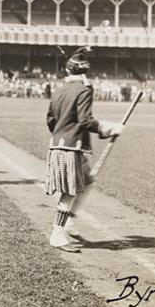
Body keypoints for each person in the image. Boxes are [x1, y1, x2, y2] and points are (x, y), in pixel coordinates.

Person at [45, 48, 123, 252]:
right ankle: (57, 234)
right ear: (85, 71)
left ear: (67, 70)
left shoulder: (58, 90)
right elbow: (85, 120)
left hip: (58, 144)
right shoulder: (83, 90)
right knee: (69, 193)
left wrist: (62, 133)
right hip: (72, 147)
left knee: (87, 181)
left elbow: (50, 120)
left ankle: (69, 221)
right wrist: (109, 128)